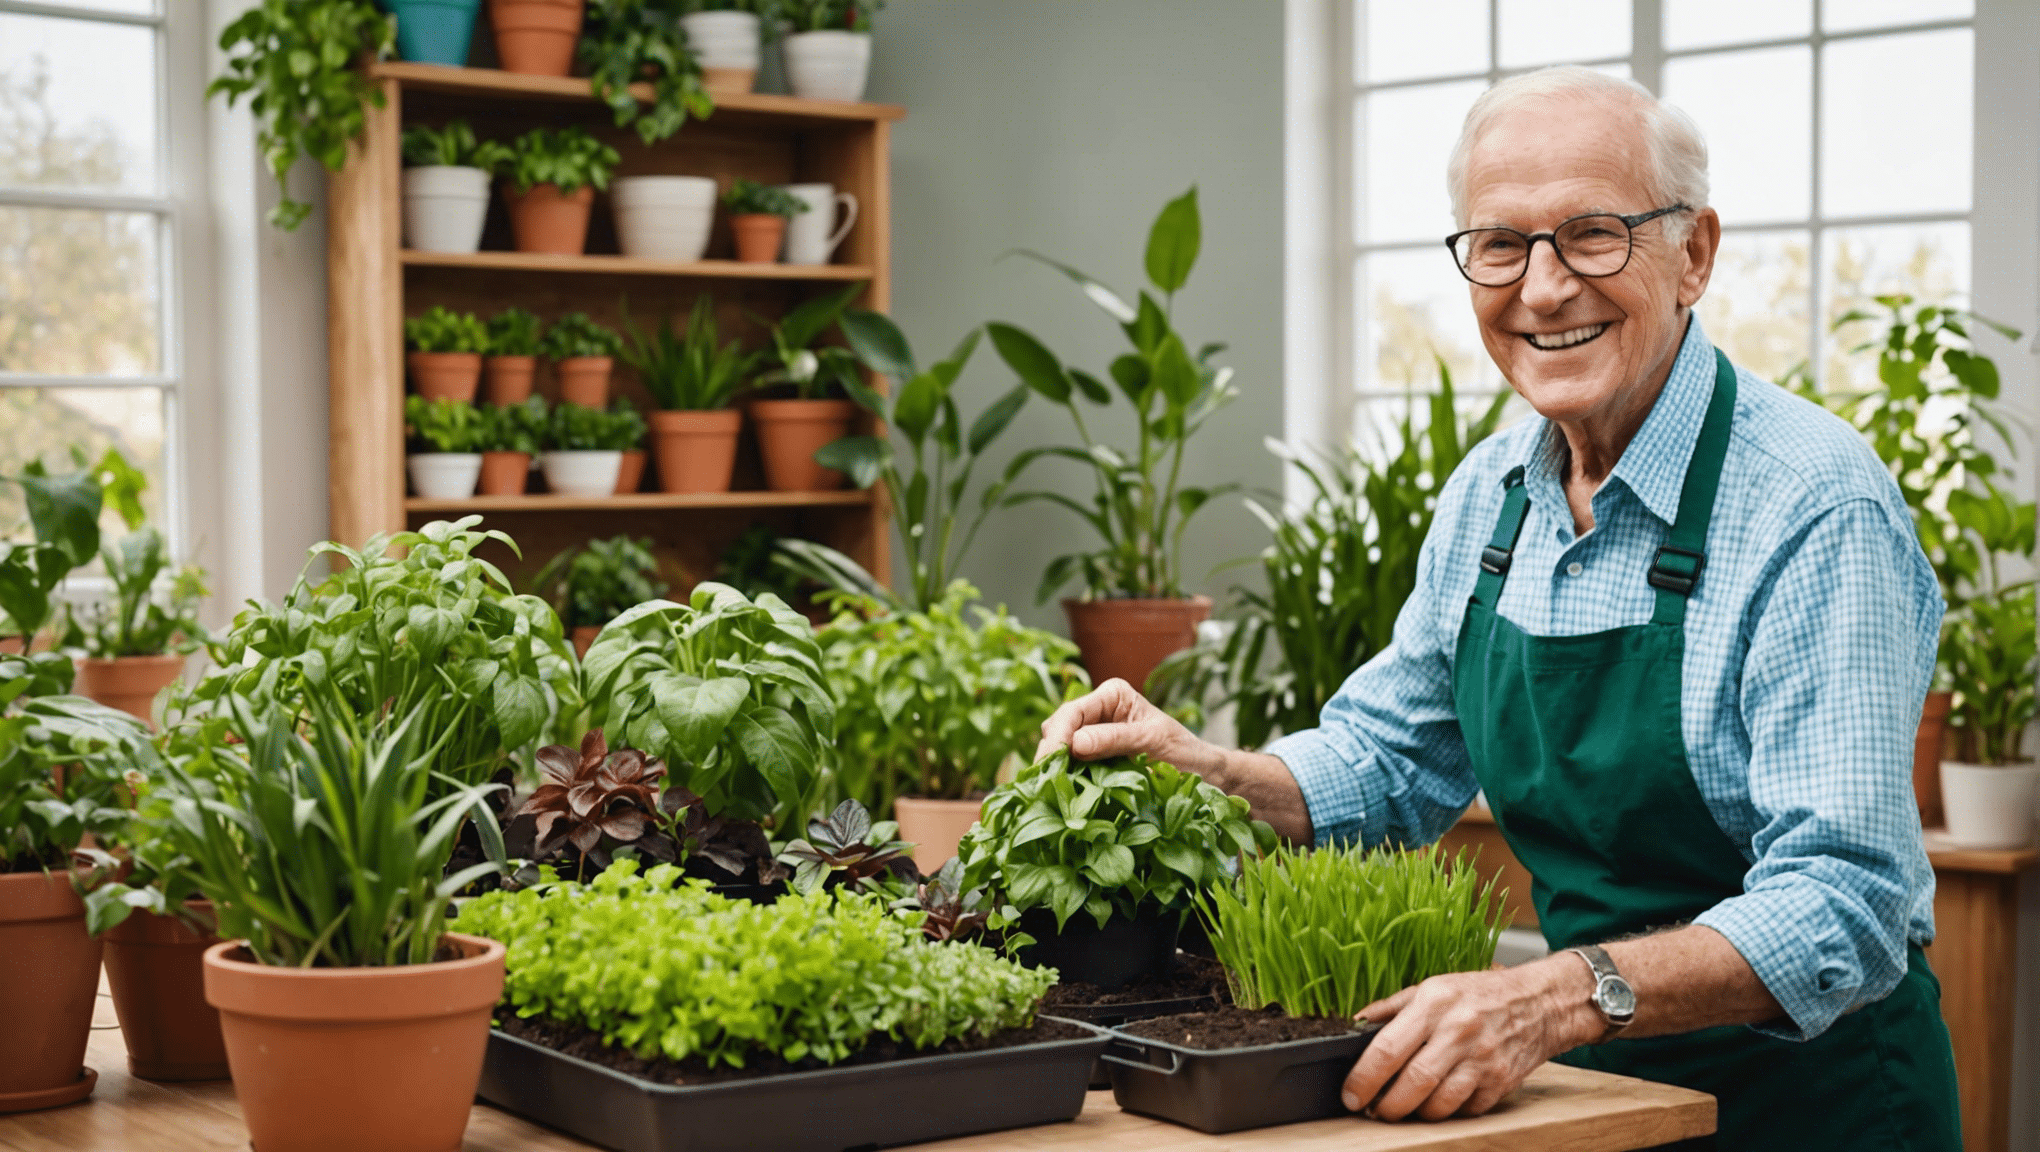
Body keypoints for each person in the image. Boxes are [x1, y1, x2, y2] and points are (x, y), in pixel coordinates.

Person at [1037, 66, 1959, 1151]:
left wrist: (1552, 999)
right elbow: (1388, 760)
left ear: (1694, 254)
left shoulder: (1812, 505)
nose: (1544, 286)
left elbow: (1847, 897)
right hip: (1593, 1103)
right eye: (1502, 244)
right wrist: (1211, 773)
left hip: (1810, 1112)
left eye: (1593, 233)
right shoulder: (1495, 495)